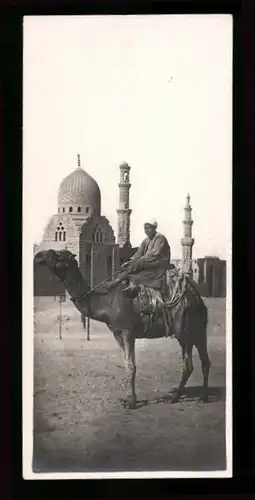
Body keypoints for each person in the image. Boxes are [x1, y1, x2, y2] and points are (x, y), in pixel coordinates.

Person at [106, 219, 171, 294]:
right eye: (145, 228)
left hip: (159, 262)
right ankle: (122, 280)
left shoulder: (160, 238)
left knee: (139, 262)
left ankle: (115, 282)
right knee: (130, 264)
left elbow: (154, 254)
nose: (146, 230)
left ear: (154, 228)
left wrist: (138, 261)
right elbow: (139, 252)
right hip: (148, 261)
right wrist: (130, 261)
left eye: (148, 228)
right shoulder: (147, 240)